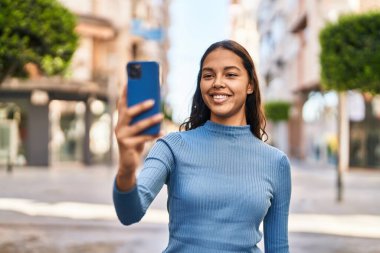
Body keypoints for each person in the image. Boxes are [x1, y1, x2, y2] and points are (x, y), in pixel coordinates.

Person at [113, 40, 292, 253]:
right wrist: (126, 169)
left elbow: (278, 247)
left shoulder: (276, 162)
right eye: (208, 75)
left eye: (231, 74)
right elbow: (129, 213)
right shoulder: (171, 147)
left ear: (250, 85)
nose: (217, 82)